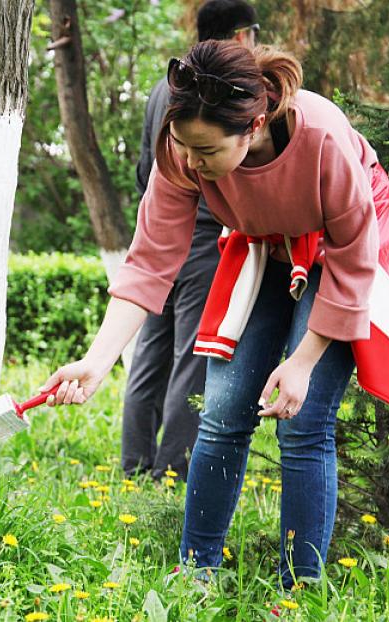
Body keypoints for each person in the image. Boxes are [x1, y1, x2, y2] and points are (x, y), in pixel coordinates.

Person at [40, 39, 389, 587]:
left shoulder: (322, 136)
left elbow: (356, 261)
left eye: (206, 151)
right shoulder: (182, 153)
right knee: (222, 409)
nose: (192, 163)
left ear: (254, 124)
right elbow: (149, 264)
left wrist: (302, 362)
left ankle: (299, 590)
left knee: (304, 422)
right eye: (184, 146)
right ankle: (195, 576)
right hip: (266, 248)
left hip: (341, 256)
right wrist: (97, 361)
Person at [122, 0, 260, 482]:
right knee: (191, 356)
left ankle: (133, 466)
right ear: (241, 38)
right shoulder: (227, 99)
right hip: (202, 236)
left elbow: (145, 169)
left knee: (150, 353)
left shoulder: (167, 88)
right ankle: (172, 472)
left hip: (159, 230)